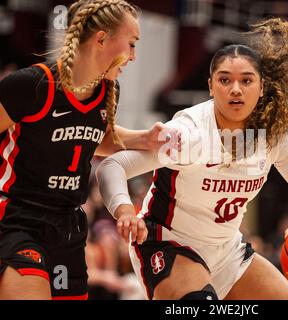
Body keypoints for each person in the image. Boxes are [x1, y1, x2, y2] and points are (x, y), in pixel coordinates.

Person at [97, 18, 288, 300]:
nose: (236, 89)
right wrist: (124, 210)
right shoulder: (189, 134)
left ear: (262, 88)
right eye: (225, 80)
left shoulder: (274, 138)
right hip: (168, 243)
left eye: (246, 80)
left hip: (226, 250)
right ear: (211, 86)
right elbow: (113, 165)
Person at [0, 0, 178, 300]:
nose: (134, 56)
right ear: (101, 39)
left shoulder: (108, 90)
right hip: (18, 218)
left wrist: (144, 139)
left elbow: (95, 137)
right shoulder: (34, 85)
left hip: (68, 224)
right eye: (132, 44)